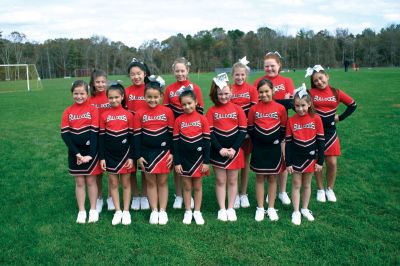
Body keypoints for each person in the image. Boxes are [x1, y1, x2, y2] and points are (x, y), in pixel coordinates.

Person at [306, 65, 357, 202]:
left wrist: (340, 117)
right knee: (317, 161)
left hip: (330, 132)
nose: (319, 82)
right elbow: (298, 105)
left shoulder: (336, 92)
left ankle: (330, 189)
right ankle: (320, 189)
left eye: (321, 78)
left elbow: (353, 105)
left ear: (327, 76)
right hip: (315, 132)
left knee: (332, 163)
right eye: (316, 80)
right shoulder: (309, 93)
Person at [163, 57, 205, 209]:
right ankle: (179, 195)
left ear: (188, 71)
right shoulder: (169, 89)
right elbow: (167, 112)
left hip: (192, 132)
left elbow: (200, 111)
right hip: (176, 131)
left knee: (192, 162)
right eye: (177, 71)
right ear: (173, 71)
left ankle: (192, 196)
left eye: (182, 70)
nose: (180, 73)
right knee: (177, 163)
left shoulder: (196, 88)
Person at [254, 51, 294, 206]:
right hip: (262, 127)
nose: (269, 69)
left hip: (281, 126)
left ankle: (282, 191)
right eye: (266, 66)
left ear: (279, 66)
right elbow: (257, 102)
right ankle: (266, 194)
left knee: (282, 159)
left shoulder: (286, 80)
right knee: (264, 161)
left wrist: (276, 102)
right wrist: (280, 101)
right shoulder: (258, 80)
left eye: (272, 66)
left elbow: (290, 104)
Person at [206, 73, 247, 222]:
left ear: (231, 92)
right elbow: (209, 132)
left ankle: (231, 208)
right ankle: (222, 208)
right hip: (218, 152)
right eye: (220, 94)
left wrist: (234, 149)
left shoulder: (238, 109)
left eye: (226, 93)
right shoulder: (211, 111)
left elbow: (242, 131)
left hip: (234, 152)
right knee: (220, 180)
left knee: (232, 180)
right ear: (215, 94)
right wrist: (219, 149)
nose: (223, 97)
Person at [134, 76, 174, 225]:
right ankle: (154, 210)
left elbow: (172, 135)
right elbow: (136, 137)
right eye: (149, 97)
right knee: (150, 182)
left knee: (163, 182)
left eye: (156, 97)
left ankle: (162, 211)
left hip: (164, 153)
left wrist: (172, 153)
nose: (152, 100)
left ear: (161, 97)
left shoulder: (167, 112)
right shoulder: (139, 113)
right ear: (144, 96)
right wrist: (138, 156)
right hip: (146, 153)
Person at [61, 80, 102, 224]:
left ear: (87, 94)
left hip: (90, 151)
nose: (79, 96)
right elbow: (65, 134)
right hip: (75, 153)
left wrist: (90, 155)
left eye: (82, 93)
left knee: (91, 180)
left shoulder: (93, 110)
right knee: (79, 181)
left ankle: (93, 209)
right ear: (72, 94)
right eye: (76, 93)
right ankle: (82, 210)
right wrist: (77, 154)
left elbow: (94, 133)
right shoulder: (68, 111)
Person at [248, 79, 287, 222]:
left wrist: (274, 140)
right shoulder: (254, 109)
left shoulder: (280, 108)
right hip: (259, 148)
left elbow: (283, 128)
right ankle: (260, 207)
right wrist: (259, 140)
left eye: (267, 91)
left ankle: (270, 207)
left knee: (272, 178)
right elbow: (251, 128)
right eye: (261, 92)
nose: (264, 94)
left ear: (273, 91)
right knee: (259, 177)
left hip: (274, 148)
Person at [285, 85, 325, 225]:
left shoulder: (317, 119)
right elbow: (288, 143)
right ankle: (296, 211)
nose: (300, 109)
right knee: (296, 184)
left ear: (309, 104)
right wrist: (288, 162)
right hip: (296, 157)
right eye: (297, 106)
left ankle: (304, 208)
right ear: (294, 106)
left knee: (307, 184)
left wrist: (320, 161)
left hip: (310, 158)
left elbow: (320, 142)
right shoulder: (291, 120)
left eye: (303, 105)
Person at [173, 89, 210, 225]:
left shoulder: (202, 119)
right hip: (184, 159)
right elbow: (175, 143)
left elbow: (207, 141)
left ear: (196, 102)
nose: (187, 107)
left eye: (189, 103)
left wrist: (206, 161)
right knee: (187, 185)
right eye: (184, 105)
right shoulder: (178, 120)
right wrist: (177, 162)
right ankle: (188, 210)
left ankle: (197, 211)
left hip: (199, 159)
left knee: (198, 185)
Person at [99, 82, 135, 225]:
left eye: (116, 97)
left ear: (122, 97)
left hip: (125, 155)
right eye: (110, 98)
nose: (113, 100)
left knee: (126, 183)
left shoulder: (128, 115)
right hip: (109, 155)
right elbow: (101, 138)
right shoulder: (104, 115)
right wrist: (102, 157)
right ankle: (118, 211)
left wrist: (132, 156)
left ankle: (126, 211)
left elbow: (133, 138)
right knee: (113, 183)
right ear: (107, 98)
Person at [230, 57, 258, 209]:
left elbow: (253, 112)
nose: (239, 77)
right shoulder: (230, 89)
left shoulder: (252, 90)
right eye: (237, 75)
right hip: (231, 132)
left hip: (246, 133)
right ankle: (233, 194)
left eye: (242, 75)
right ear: (232, 75)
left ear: (246, 75)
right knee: (233, 163)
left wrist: (246, 131)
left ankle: (243, 193)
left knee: (245, 162)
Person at [125, 58, 150, 211]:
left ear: (144, 73)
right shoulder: (126, 91)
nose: (136, 77)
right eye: (132, 74)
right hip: (129, 134)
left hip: (146, 133)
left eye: (139, 73)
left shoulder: (150, 88)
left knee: (145, 166)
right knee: (132, 168)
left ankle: (146, 196)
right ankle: (135, 196)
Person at [88, 69, 114, 213]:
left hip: (110, 136)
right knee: (97, 171)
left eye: (103, 82)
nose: (100, 84)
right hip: (95, 136)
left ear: (107, 82)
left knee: (110, 170)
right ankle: (99, 198)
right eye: (97, 82)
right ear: (92, 83)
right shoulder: (89, 99)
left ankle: (111, 197)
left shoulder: (110, 96)